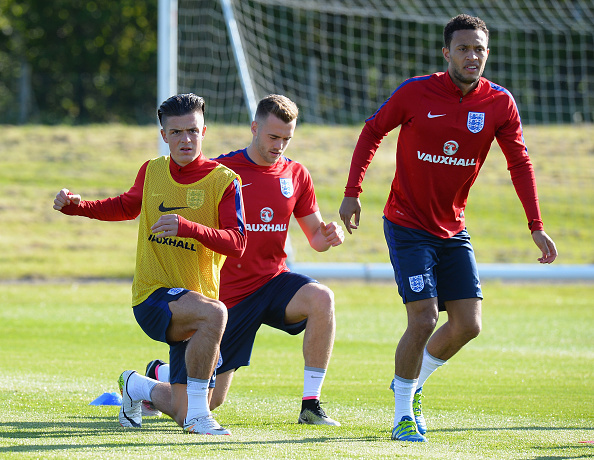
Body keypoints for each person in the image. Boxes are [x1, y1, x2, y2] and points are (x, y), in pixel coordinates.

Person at [339, 14, 557, 442]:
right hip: (406, 224)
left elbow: (520, 164)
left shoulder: (499, 103)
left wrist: (536, 225)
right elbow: (372, 131)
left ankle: (413, 380)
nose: (471, 56)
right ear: (446, 53)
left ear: (487, 53)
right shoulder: (416, 92)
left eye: (479, 49)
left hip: (452, 228)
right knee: (422, 319)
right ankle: (403, 414)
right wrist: (352, 191)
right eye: (463, 48)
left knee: (468, 325)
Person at [142, 94, 345, 426]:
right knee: (211, 401)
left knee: (322, 298)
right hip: (228, 296)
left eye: (286, 138)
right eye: (273, 137)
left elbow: (316, 238)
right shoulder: (221, 172)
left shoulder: (296, 175)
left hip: (274, 282)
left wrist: (329, 235)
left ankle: (311, 405)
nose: (279, 145)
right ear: (255, 128)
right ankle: (157, 374)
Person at [53, 93, 246, 435]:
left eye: (192, 131)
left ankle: (136, 387)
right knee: (216, 313)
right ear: (163, 135)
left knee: (186, 408)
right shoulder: (152, 171)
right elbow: (126, 206)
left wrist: (188, 227)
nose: (185, 139)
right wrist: (76, 207)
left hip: (193, 305)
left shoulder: (225, 181)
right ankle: (201, 420)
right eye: (176, 132)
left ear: (205, 131)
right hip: (152, 295)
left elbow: (238, 242)